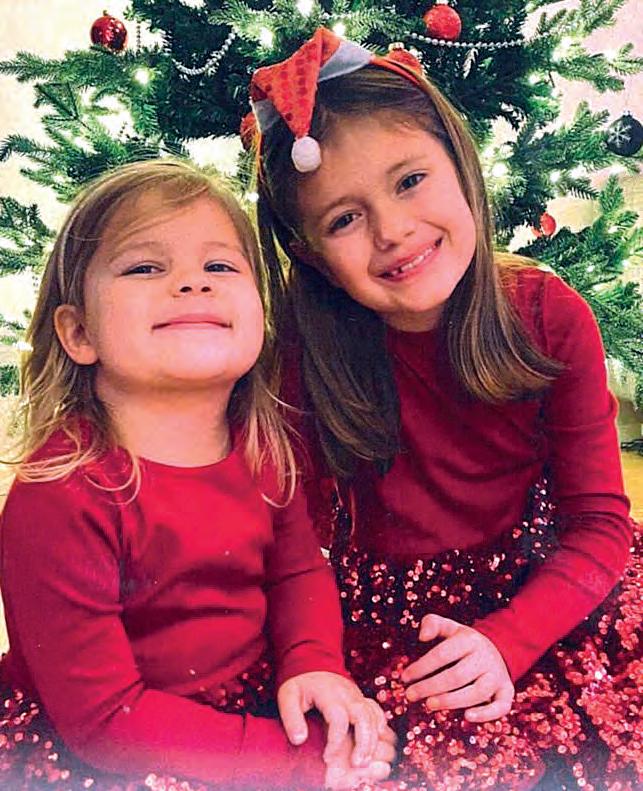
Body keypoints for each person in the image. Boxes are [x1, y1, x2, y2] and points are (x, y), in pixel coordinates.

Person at [246, 28, 641, 790]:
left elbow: (598, 523)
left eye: (409, 179)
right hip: (382, 616)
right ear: (311, 255)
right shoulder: (304, 351)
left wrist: (508, 639)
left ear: (460, 163)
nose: (392, 231)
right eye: (343, 219)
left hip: (539, 588)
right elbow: (293, 541)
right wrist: (314, 657)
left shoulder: (548, 315)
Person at [0, 158, 397, 791]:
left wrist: (314, 665)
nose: (192, 284)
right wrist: (294, 763)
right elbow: (104, 720)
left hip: (247, 705)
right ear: (78, 332)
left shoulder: (263, 447)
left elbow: (297, 572)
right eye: (145, 268)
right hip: (110, 748)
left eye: (219, 266)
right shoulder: (62, 491)